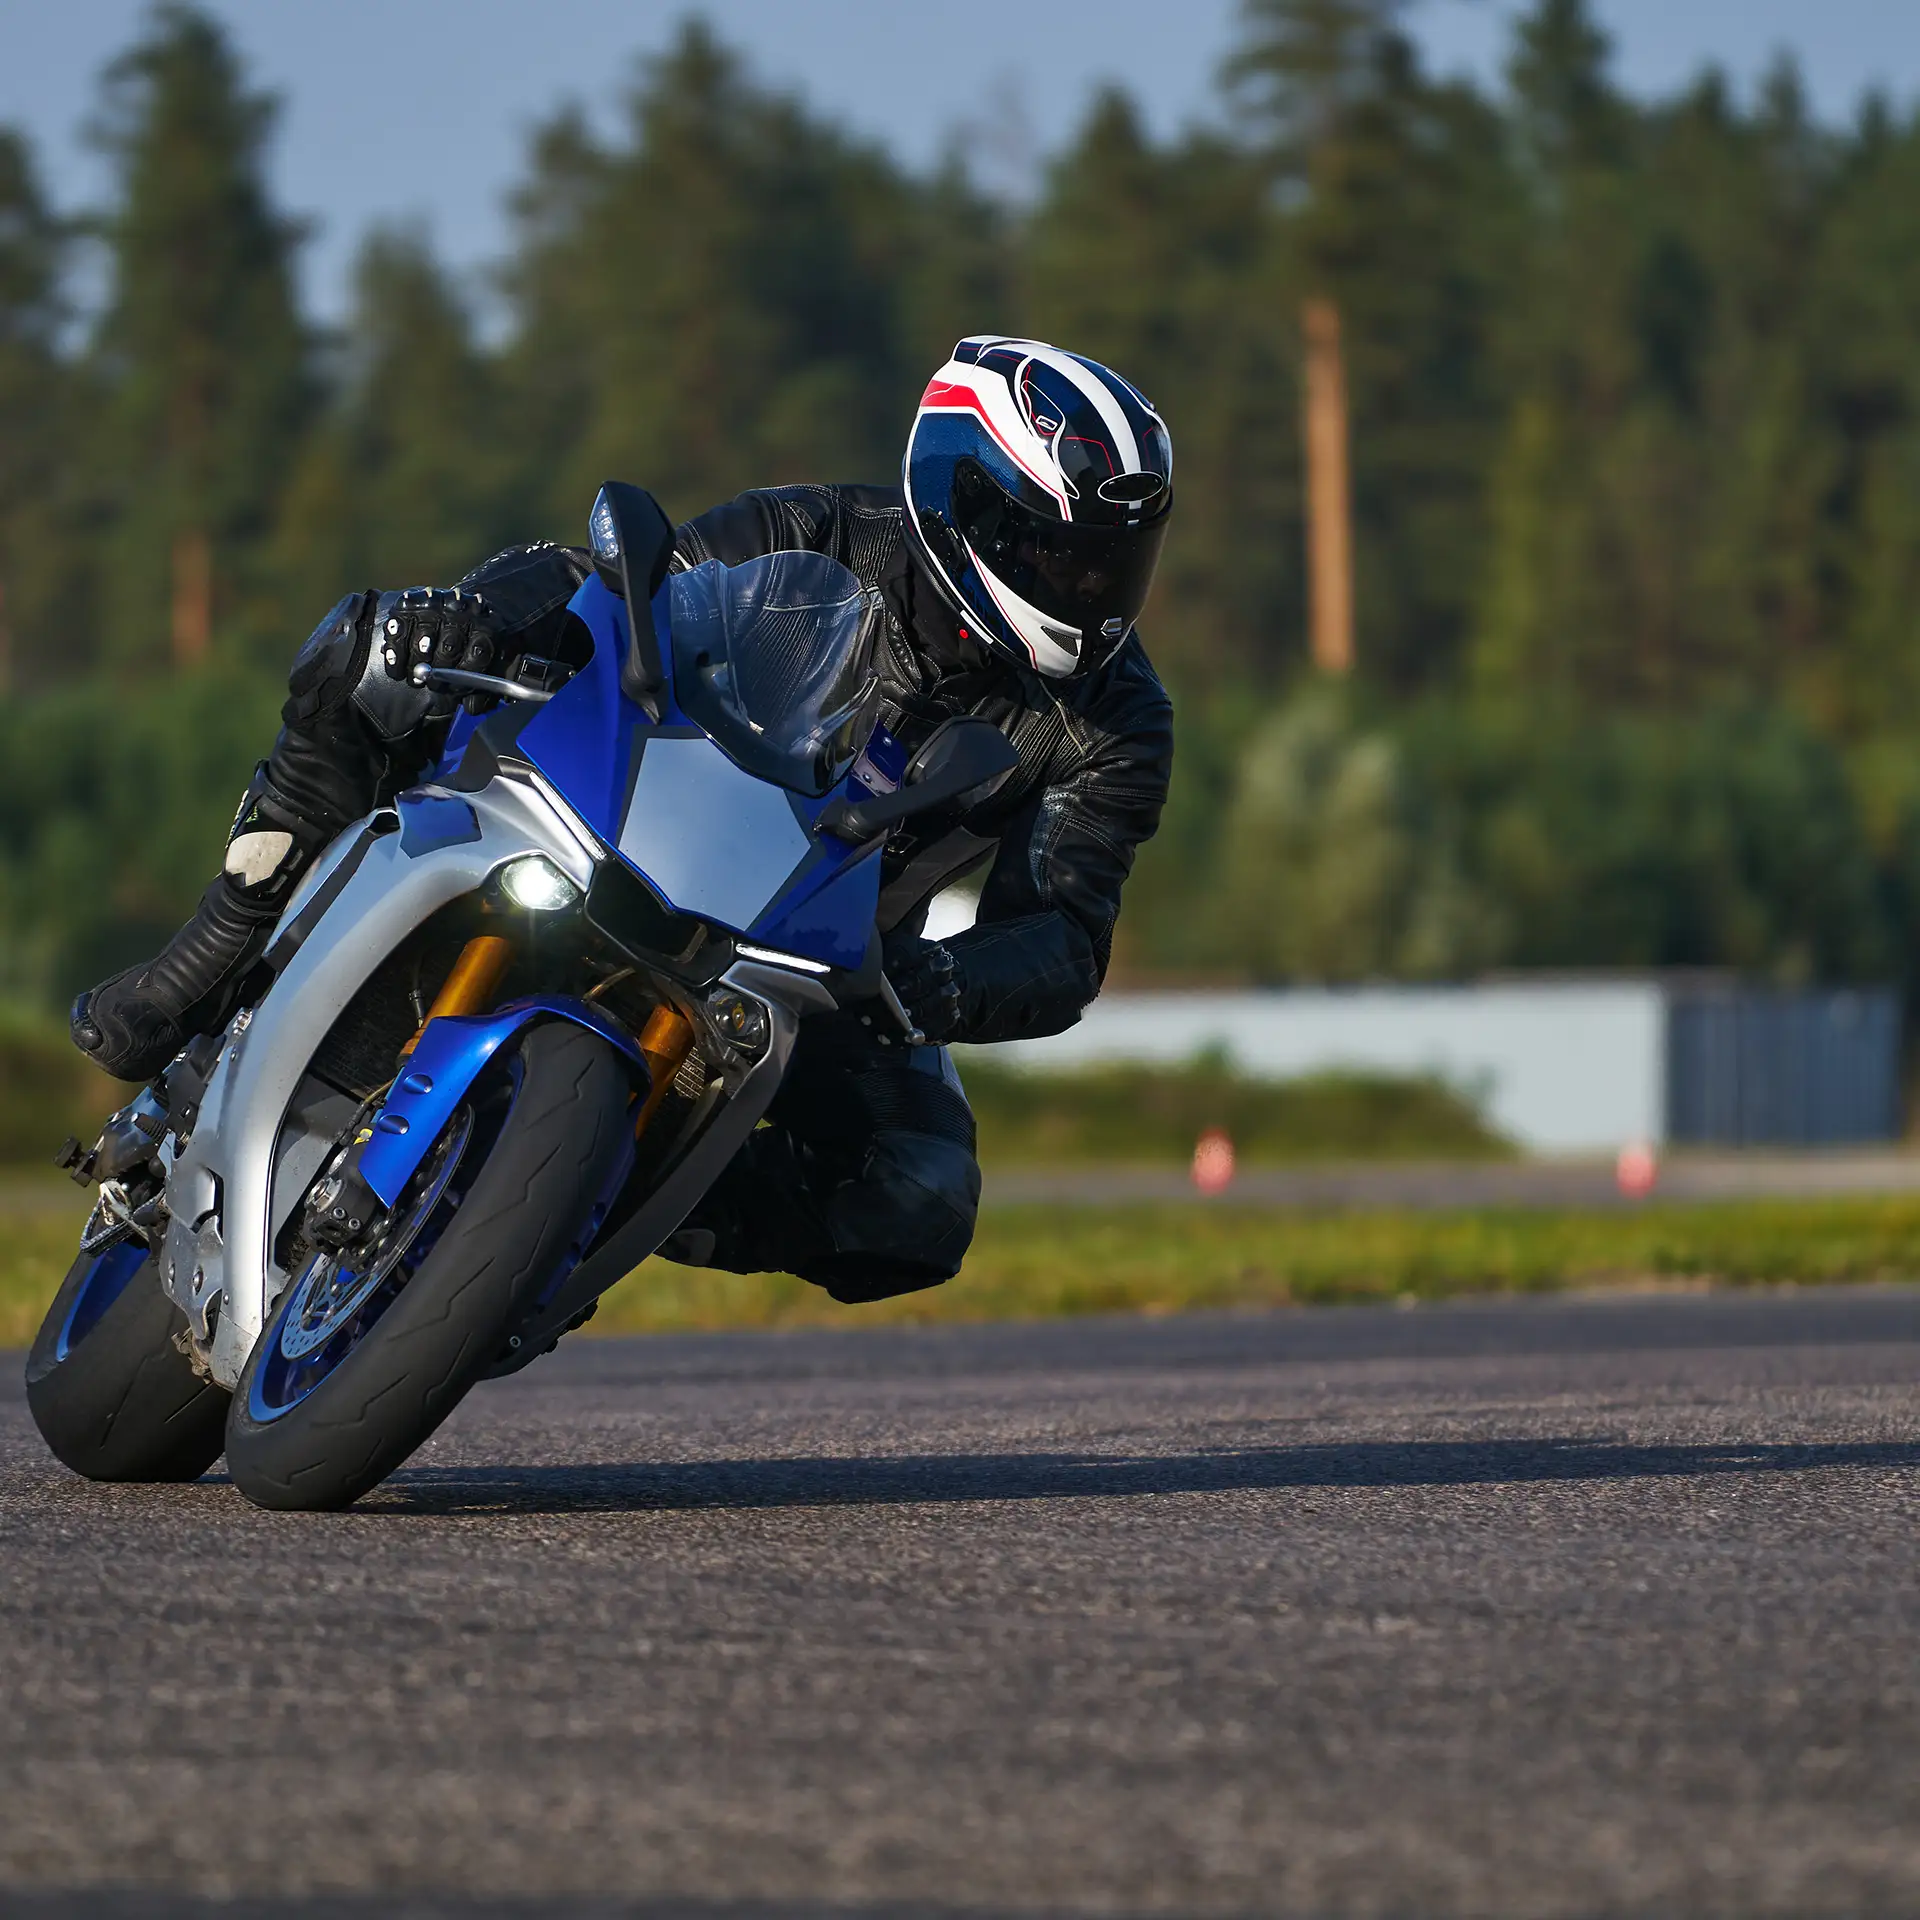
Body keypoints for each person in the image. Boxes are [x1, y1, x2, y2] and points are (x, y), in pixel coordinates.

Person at [70, 336, 1176, 1303]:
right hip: (624, 816)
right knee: (379, 647)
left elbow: (1064, 934)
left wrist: (937, 985)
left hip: (819, 957)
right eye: (1056, 550)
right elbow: (623, 598)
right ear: (958, 499)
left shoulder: (1116, 722)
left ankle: (571, 1218)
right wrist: (485, 624)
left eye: (1111, 561)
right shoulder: (821, 531)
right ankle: (211, 953)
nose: (1087, 586)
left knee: (921, 1199)